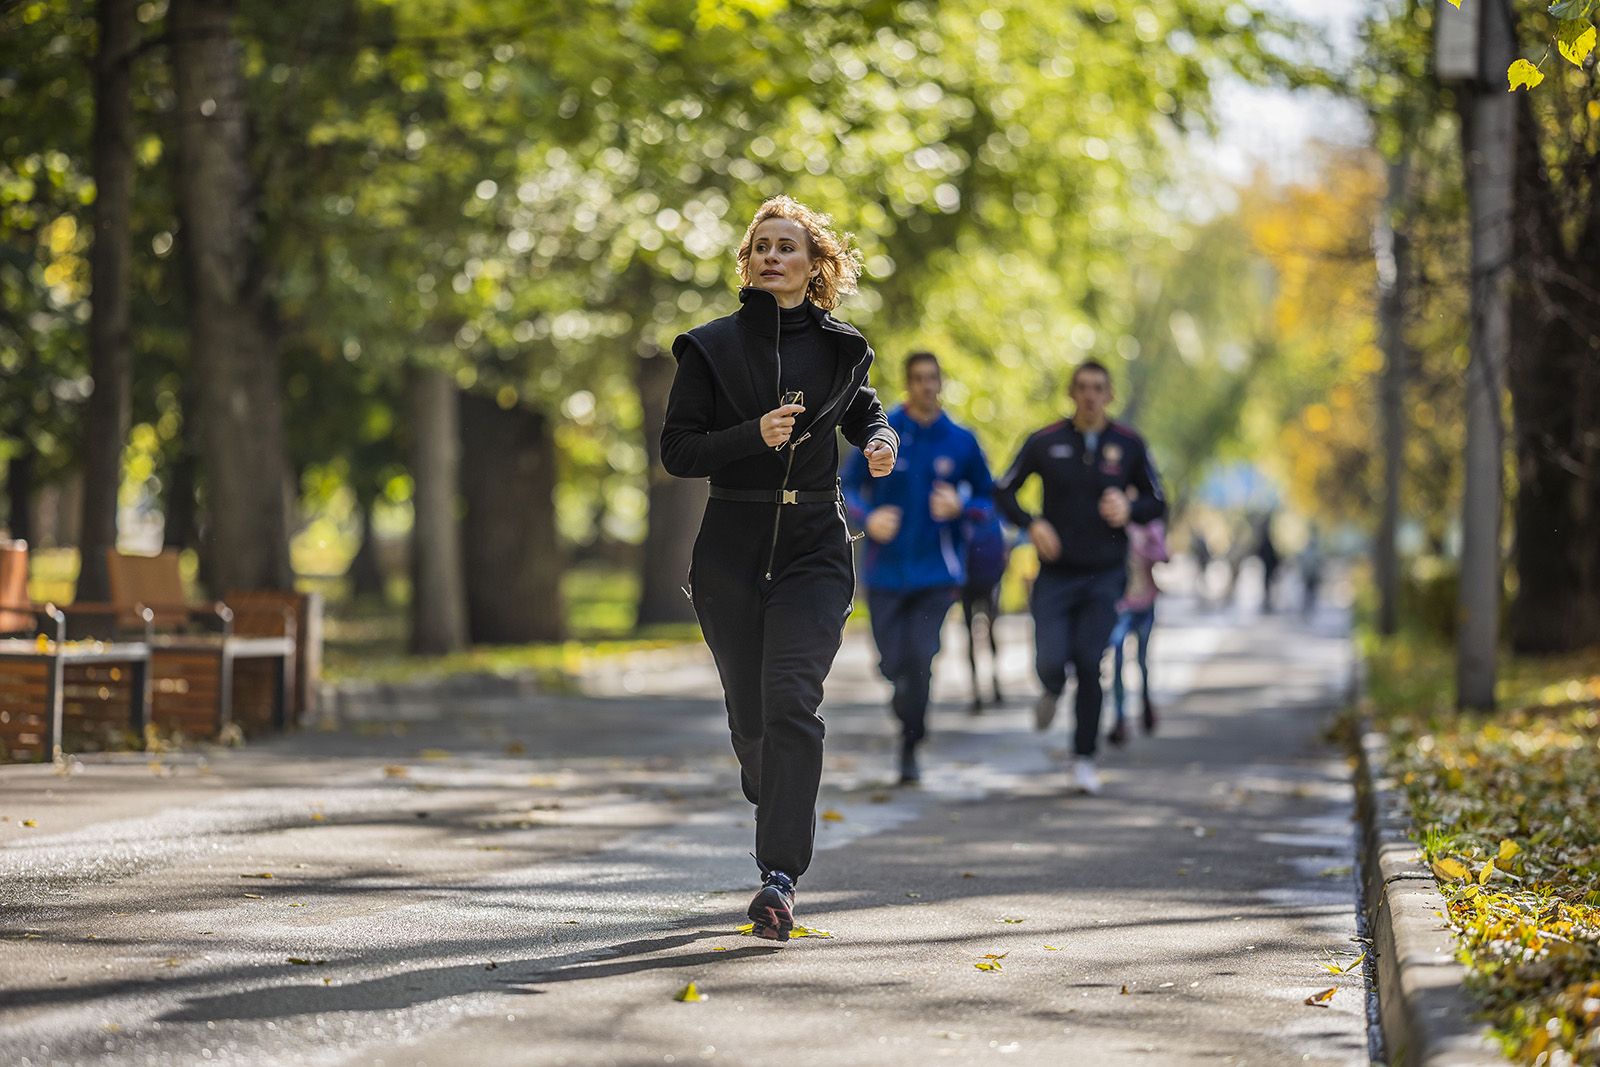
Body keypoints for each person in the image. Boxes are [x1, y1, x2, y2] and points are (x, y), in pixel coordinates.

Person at [661, 196, 897, 942]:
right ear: (747, 260)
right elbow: (679, 451)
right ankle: (762, 768)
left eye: (786, 246)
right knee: (753, 714)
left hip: (814, 547)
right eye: (760, 245)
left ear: (814, 265)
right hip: (730, 548)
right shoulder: (710, 348)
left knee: (793, 698)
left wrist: (881, 438)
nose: (771, 256)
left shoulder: (840, 347)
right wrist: (749, 436)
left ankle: (779, 877)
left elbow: (859, 407)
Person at [994, 359, 1166, 795]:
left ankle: (1084, 757)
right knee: (1051, 660)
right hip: (1055, 574)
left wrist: (1130, 510)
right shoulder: (1045, 441)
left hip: (1104, 575)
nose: (1090, 395)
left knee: (1091, 663)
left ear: (1110, 395)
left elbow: (1157, 500)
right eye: (1083, 387)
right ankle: (1051, 688)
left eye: (1099, 388)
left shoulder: (1129, 444)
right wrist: (1033, 524)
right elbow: (1003, 490)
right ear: (1072, 393)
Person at [842, 351, 995, 785]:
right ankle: (906, 705)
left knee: (922, 656)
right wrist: (868, 518)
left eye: (933, 378)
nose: (926, 386)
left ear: (941, 382)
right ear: (908, 384)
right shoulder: (885, 432)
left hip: (937, 573)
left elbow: (990, 500)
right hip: (885, 571)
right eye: (918, 379)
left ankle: (911, 743)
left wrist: (961, 505)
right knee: (892, 663)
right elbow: (849, 486)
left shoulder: (960, 441)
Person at [1107, 517, 1168, 746]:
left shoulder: (1150, 523)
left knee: (1142, 660)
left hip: (1144, 605)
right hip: (1121, 607)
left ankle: (1145, 704)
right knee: (1118, 661)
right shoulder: (1112, 522)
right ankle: (1120, 719)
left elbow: (1164, 555)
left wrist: (1144, 544)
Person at [960, 506, 1011, 716]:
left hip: (970, 579)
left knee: (972, 635)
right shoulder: (989, 504)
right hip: (987, 579)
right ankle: (989, 686)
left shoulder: (960, 501)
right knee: (988, 631)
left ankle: (979, 690)